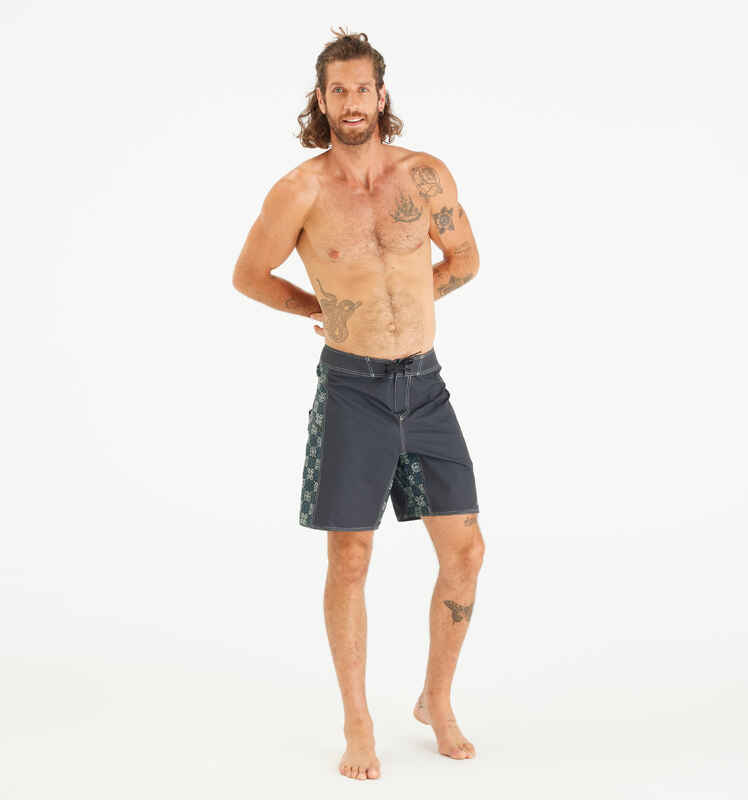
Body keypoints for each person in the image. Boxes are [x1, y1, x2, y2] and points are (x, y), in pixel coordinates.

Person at [232, 27, 485, 781]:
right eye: (337, 90)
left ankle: (435, 699)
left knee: (466, 552)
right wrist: (324, 307)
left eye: (362, 88)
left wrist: (416, 300)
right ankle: (358, 721)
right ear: (321, 99)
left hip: (426, 386)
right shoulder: (300, 191)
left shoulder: (424, 176)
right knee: (350, 557)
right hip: (352, 389)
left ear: (381, 95)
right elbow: (249, 275)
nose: (351, 102)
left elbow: (465, 258)